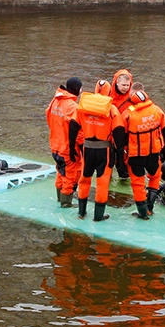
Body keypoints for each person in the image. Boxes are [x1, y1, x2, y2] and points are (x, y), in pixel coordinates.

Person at [68, 80, 125, 222]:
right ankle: (98, 216)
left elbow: (73, 127)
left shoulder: (83, 107)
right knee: (102, 182)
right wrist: (120, 157)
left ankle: (81, 212)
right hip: (104, 150)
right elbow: (119, 133)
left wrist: (71, 148)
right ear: (108, 91)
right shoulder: (111, 109)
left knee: (84, 179)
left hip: (87, 149)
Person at [122, 84, 165, 220]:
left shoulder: (128, 113)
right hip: (154, 152)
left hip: (136, 155)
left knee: (138, 183)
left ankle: (142, 212)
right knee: (154, 178)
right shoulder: (157, 110)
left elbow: (122, 135)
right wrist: (164, 150)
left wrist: (121, 155)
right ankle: (150, 208)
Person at [46, 76, 82, 207]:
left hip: (55, 145)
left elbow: (49, 118)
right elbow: (79, 131)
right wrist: (82, 147)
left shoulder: (55, 101)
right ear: (77, 89)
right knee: (70, 176)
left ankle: (59, 197)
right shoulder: (73, 106)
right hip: (67, 148)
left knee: (60, 172)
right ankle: (66, 202)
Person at [110, 69, 134, 179]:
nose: (125, 88)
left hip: (125, 137)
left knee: (124, 165)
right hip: (110, 136)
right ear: (117, 83)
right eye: (123, 85)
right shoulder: (109, 96)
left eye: (128, 85)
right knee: (108, 164)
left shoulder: (133, 98)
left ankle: (124, 177)